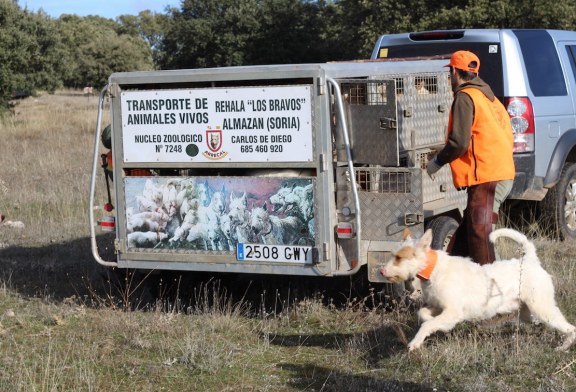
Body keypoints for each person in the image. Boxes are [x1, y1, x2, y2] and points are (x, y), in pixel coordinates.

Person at [426, 50, 515, 265]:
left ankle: (497, 288)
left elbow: (459, 142)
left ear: (454, 72)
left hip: (487, 176)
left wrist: (436, 162)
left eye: (450, 73)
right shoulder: (488, 97)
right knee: (468, 237)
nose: (450, 78)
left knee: (479, 234)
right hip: (500, 171)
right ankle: (451, 285)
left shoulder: (465, 97)